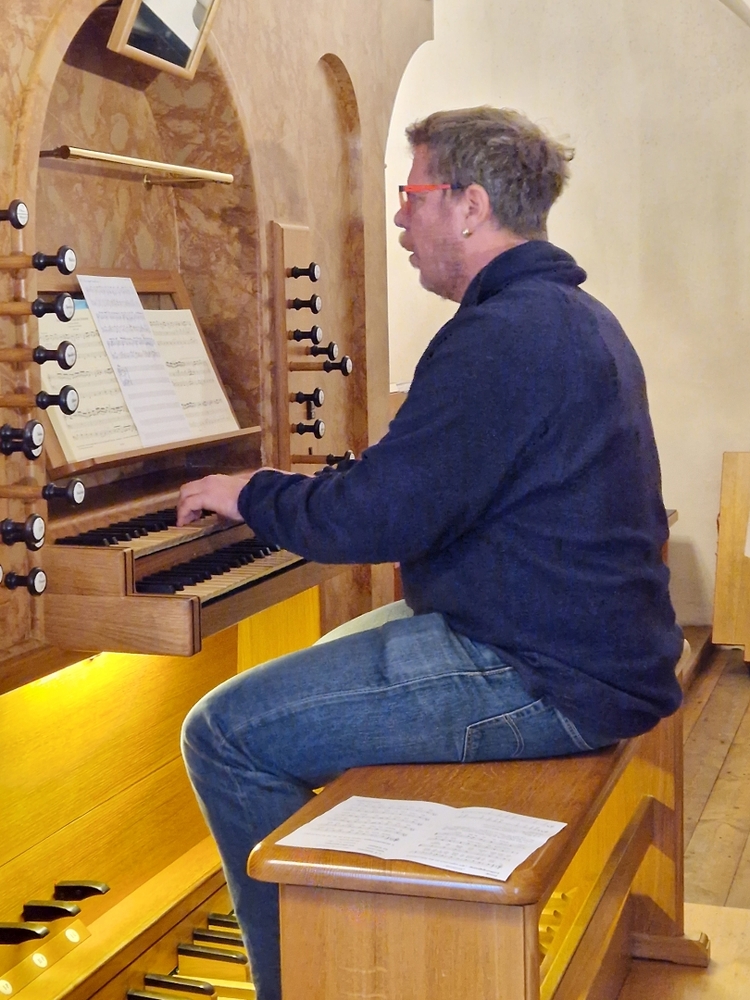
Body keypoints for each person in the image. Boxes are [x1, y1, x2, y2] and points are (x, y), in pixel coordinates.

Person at [177, 106, 683, 1000]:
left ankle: (304, 982)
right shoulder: (566, 315)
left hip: (541, 674)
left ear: (469, 204)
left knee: (224, 732)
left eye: (410, 195)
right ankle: (351, 928)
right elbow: (420, 489)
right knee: (322, 660)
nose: (399, 217)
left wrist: (252, 494)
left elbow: (383, 517)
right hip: (579, 649)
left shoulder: (505, 335)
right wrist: (303, 492)